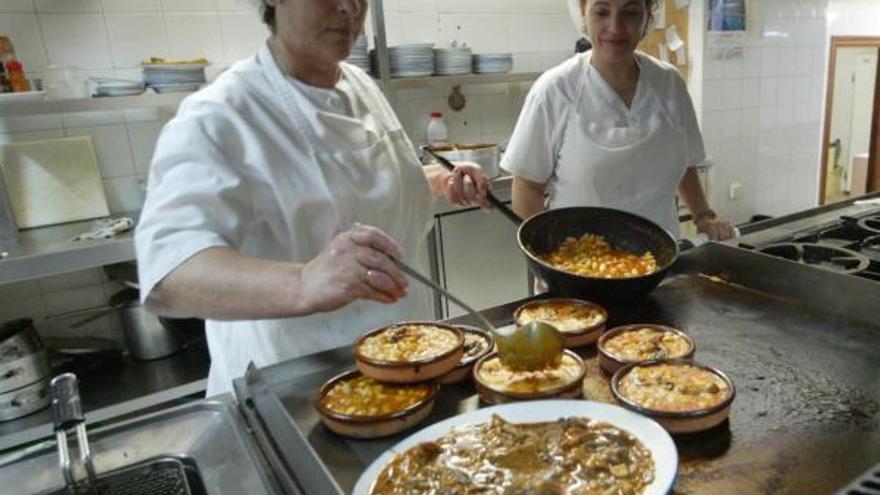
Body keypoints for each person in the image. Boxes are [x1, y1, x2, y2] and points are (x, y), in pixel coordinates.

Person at [135, 0, 489, 396]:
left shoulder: (360, 85)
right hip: (292, 392)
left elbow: (349, 193)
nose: (350, 8)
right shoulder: (220, 114)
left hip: (403, 366)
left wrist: (435, 181)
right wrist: (304, 282)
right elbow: (169, 271)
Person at [502, 0, 735, 241]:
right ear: (583, 14)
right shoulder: (555, 90)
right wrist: (554, 255)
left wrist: (703, 216)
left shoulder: (669, 84)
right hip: (578, 270)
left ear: (647, 17)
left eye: (631, 12)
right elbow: (526, 187)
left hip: (658, 262)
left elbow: (685, 164)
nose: (615, 27)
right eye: (602, 12)